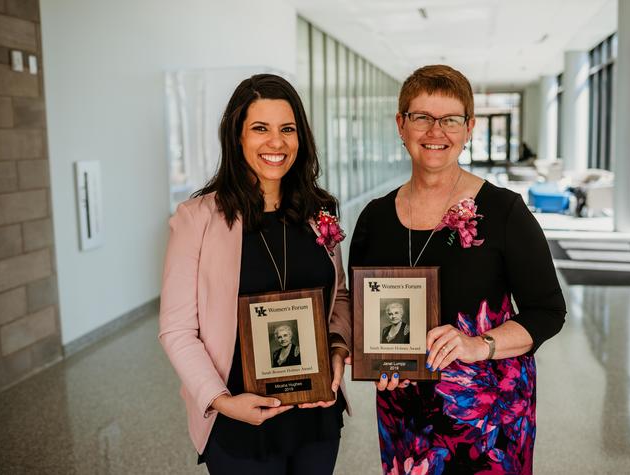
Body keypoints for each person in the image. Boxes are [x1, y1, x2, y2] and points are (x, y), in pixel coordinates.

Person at [349, 65, 566, 474]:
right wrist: (370, 358)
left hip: (489, 419)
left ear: (469, 128)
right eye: (422, 118)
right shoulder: (373, 219)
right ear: (401, 124)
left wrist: (476, 344)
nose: (436, 132)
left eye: (449, 119)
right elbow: (366, 314)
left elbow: (548, 312)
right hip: (404, 415)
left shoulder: (504, 212)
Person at [159, 73, 352, 475]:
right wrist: (221, 401)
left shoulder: (320, 212)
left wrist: (338, 348)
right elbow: (176, 329)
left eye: (287, 129)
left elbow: (340, 299)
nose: (276, 142)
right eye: (260, 128)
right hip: (240, 415)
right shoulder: (198, 220)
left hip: (314, 413)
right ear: (237, 137)